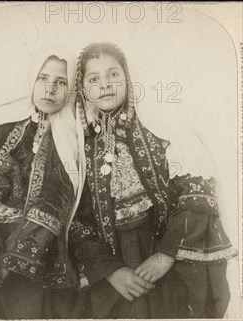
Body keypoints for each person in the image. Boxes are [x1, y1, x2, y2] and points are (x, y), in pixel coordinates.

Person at [68, 42, 237, 318]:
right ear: (83, 88)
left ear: (127, 78)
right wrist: (111, 271)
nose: (106, 84)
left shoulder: (159, 127)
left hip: (164, 247)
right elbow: (75, 218)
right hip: (111, 259)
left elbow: (195, 192)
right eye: (94, 78)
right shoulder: (77, 144)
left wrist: (166, 255)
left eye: (113, 74)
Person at [0, 48, 89, 319]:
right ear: (30, 80)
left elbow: (54, 201)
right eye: (43, 78)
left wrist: (13, 259)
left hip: (33, 248)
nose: (51, 89)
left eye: (61, 82)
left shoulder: (69, 141)